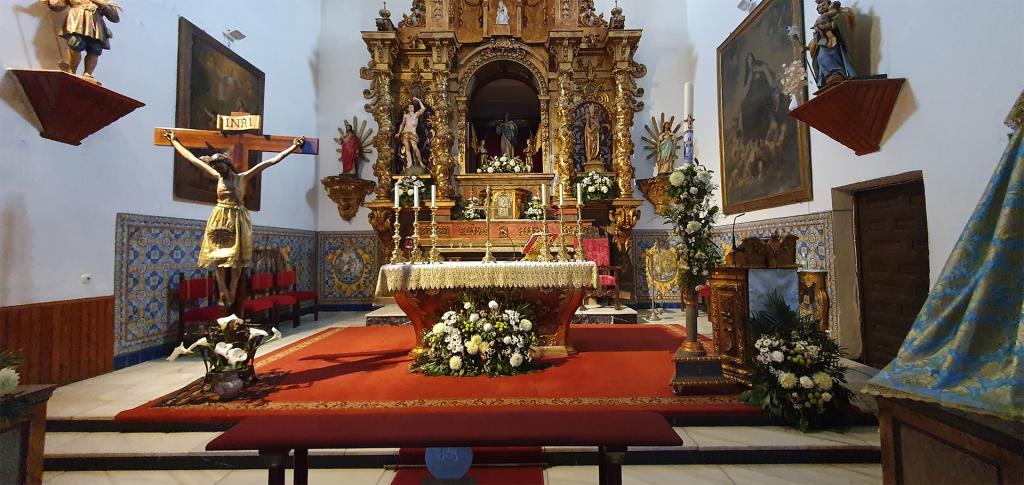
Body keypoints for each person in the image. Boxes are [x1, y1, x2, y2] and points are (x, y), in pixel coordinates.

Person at [164, 130, 304, 309]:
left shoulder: (242, 178)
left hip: (237, 218)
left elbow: (271, 161)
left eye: (219, 167)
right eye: (214, 168)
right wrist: (175, 142)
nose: (216, 171)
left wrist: (293, 147)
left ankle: (233, 287)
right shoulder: (217, 177)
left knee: (237, 258)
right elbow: (193, 159)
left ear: (226, 164)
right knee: (218, 257)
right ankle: (223, 289)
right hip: (220, 217)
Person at [44, 0, 122, 83]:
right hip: (77, 19)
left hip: (96, 23)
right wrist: (52, 2)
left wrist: (101, 3)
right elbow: (59, 5)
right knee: (77, 43)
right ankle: (72, 70)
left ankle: (88, 73)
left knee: (95, 49)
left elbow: (115, 17)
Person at [808, 0, 856, 90]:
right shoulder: (820, 19)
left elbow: (841, 23)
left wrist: (830, 26)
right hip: (822, 43)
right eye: (819, 6)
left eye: (823, 4)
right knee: (820, 58)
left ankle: (837, 73)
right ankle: (826, 76)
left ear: (829, 5)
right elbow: (815, 37)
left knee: (831, 56)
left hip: (833, 43)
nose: (821, 7)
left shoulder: (835, 14)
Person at [396, 97, 427, 171]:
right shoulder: (406, 116)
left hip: (413, 134)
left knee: (415, 147)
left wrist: (419, 100)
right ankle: (409, 163)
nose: (412, 107)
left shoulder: (416, 114)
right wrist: (399, 132)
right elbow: (402, 124)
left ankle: (420, 162)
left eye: (412, 107)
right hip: (405, 133)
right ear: (408, 109)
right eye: (410, 107)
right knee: (407, 148)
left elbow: (423, 109)